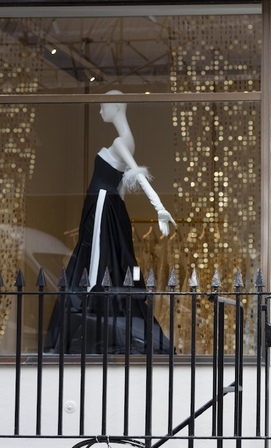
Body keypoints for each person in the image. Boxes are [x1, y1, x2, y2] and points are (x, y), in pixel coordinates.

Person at [45, 90, 175, 354]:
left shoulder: (120, 142)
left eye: (104, 104)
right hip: (105, 206)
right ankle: (91, 315)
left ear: (116, 106)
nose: (100, 110)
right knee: (100, 260)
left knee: (96, 262)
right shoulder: (125, 140)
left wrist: (159, 207)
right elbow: (123, 184)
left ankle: (88, 313)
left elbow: (137, 175)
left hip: (103, 205)